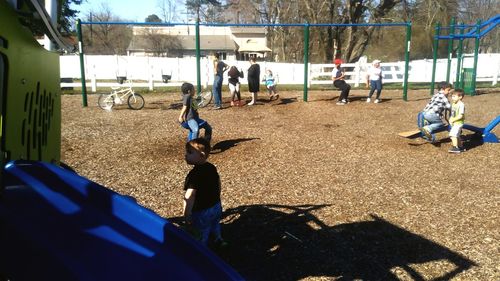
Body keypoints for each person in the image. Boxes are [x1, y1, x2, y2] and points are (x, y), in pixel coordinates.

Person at [183, 137, 227, 247]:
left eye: (189, 152)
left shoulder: (194, 175)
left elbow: (190, 195)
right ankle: (219, 239)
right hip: (216, 205)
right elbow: (218, 182)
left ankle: (203, 251)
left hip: (202, 211)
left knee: (202, 231)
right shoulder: (211, 167)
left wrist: (187, 214)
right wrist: (218, 196)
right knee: (215, 224)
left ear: (201, 155)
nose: (185, 155)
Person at [448, 88, 466, 153]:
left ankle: (455, 148)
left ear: (460, 97)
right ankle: (461, 147)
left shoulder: (461, 105)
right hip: (454, 122)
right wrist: (451, 119)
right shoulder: (454, 104)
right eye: (452, 96)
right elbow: (453, 113)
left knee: (452, 135)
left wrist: (453, 119)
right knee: (457, 135)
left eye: (454, 96)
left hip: (458, 123)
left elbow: (461, 115)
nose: (452, 98)